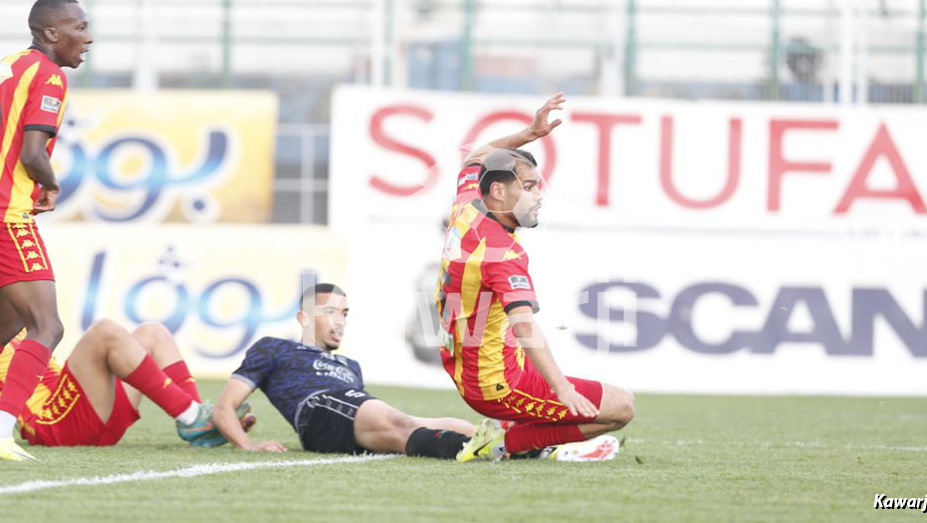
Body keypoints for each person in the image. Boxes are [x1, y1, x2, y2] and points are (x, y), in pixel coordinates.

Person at [435, 93, 635, 462]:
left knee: (584, 398)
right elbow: (525, 326)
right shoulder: (502, 253)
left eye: (538, 185)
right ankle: (500, 446)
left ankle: (518, 433)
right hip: (496, 381)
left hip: (467, 358)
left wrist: (531, 133)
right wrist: (561, 389)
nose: (538, 195)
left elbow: (475, 156)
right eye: (528, 187)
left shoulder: (467, 204)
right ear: (498, 190)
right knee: (622, 407)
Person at [0, 0, 92, 460]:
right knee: (47, 326)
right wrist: (50, 186)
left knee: (8, 321)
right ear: (52, 33)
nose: (88, 38)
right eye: (80, 27)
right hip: (4, 215)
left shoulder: (3, 68)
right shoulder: (49, 76)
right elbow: (35, 154)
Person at [212, 283, 476, 459]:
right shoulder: (273, 348)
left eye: (344, 313)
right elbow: (224, 407)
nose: (340, 321)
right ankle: (474, 447)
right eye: (330, 312)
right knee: (402, 424)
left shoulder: (350, 366)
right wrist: (248, 445)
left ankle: (499, 442)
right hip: (317, 410)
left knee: (415, 424)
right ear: (303, 318)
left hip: (348, 418)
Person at [0, 303, 252, 452]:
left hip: (82, 411)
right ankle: (193, 417)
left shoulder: (26, 318)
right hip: (51, 424)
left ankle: (198, 422)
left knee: (153, 333)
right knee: (104, 333)